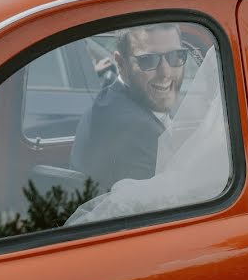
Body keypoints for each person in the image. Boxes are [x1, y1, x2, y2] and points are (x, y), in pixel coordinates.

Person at [70, 23, 187, 190]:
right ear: (121, 63)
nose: (166, 73)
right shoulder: (141, 131)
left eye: (175, 56)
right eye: (148, 60)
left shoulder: (107, 101)